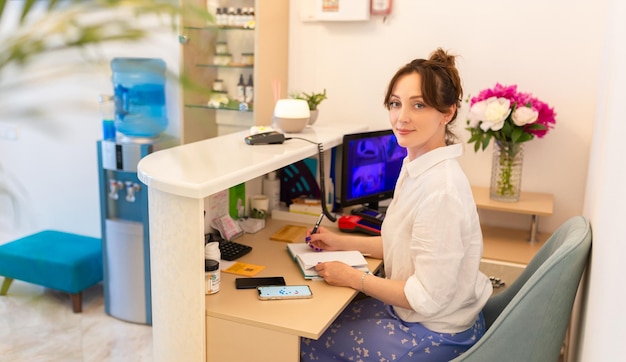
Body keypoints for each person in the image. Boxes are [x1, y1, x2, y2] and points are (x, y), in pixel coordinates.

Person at [300, 48, 493, 361]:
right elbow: (404, 244)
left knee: (303, 342)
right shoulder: (417, 165)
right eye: (395, 103)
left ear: (447, 112)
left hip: (436, 333)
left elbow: (426, 297)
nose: (401, 117)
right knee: (318, 320)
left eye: (418, 105)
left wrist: (353, 278)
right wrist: (340, 242)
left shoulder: (441, 191)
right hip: (422, 314)